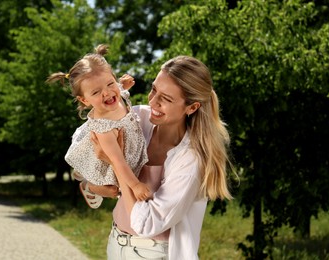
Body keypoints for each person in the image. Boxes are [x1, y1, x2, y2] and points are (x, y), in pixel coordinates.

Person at [88, 55, 235, 259]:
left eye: (166, 99)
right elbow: (91, 144)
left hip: (154, 253)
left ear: (191, 108)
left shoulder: (190, 160)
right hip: (116, 242)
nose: (153, 101)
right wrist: (90, 188)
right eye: (154, 90)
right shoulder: (138, 120)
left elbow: (147, 224)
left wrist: (115, 160)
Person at [46, 44, 150, 209]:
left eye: (110, 84)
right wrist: (135, 185)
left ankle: (83, 170)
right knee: (115, 189)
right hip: (111, 155)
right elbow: (117, 160)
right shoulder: (104, 128)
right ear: (84, 100)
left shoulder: (115, 95)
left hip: (121, 151)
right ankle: (88, 186)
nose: (107, 93)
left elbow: (114, 89)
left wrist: (122, 85)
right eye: (96, 92)